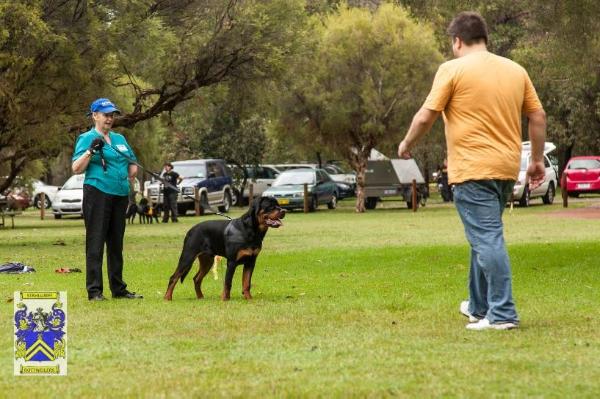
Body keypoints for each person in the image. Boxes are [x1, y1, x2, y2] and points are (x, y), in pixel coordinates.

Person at [397, 12, 546, 330]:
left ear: (457, 41)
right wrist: (535, 160)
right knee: (484, 236)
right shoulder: (515, 70)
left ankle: (502, 314)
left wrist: (407, 143)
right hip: (506, 170)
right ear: (485, 39)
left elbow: (426, 117)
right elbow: (537, 116)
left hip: (472, 169)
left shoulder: (451, 70)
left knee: (487, 238)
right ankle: (478, 307)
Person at [72, 98, 143, 301]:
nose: (110, 119)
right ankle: (95, 291)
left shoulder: (120, 139)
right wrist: (90, 151)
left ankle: (118, 289)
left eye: (112, 115)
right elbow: (76, 168)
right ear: (95, 115)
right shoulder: (87, 138)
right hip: (98, 193)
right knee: (96, 242)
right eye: (106, 115)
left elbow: (132, 162)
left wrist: (131, 174)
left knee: (116, 243)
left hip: (120, 195)